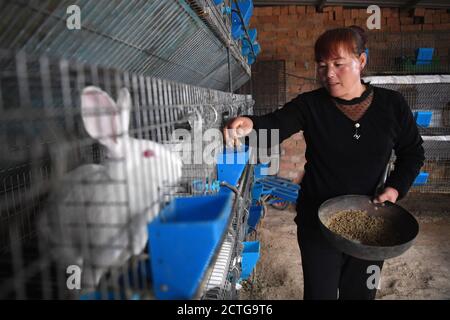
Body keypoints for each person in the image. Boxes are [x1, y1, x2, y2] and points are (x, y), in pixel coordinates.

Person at [223, 26, 425, 300]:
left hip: (371, 223)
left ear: (361, 61)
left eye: (338, 64)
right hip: (316, 222)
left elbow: (412, 152)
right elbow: (273, 125)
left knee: (361, 294)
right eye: (322, 65)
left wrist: (395, 188)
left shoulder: (392, 105)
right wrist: (248, 125)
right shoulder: (310, 105)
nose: (329, 73)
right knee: (320, 294)